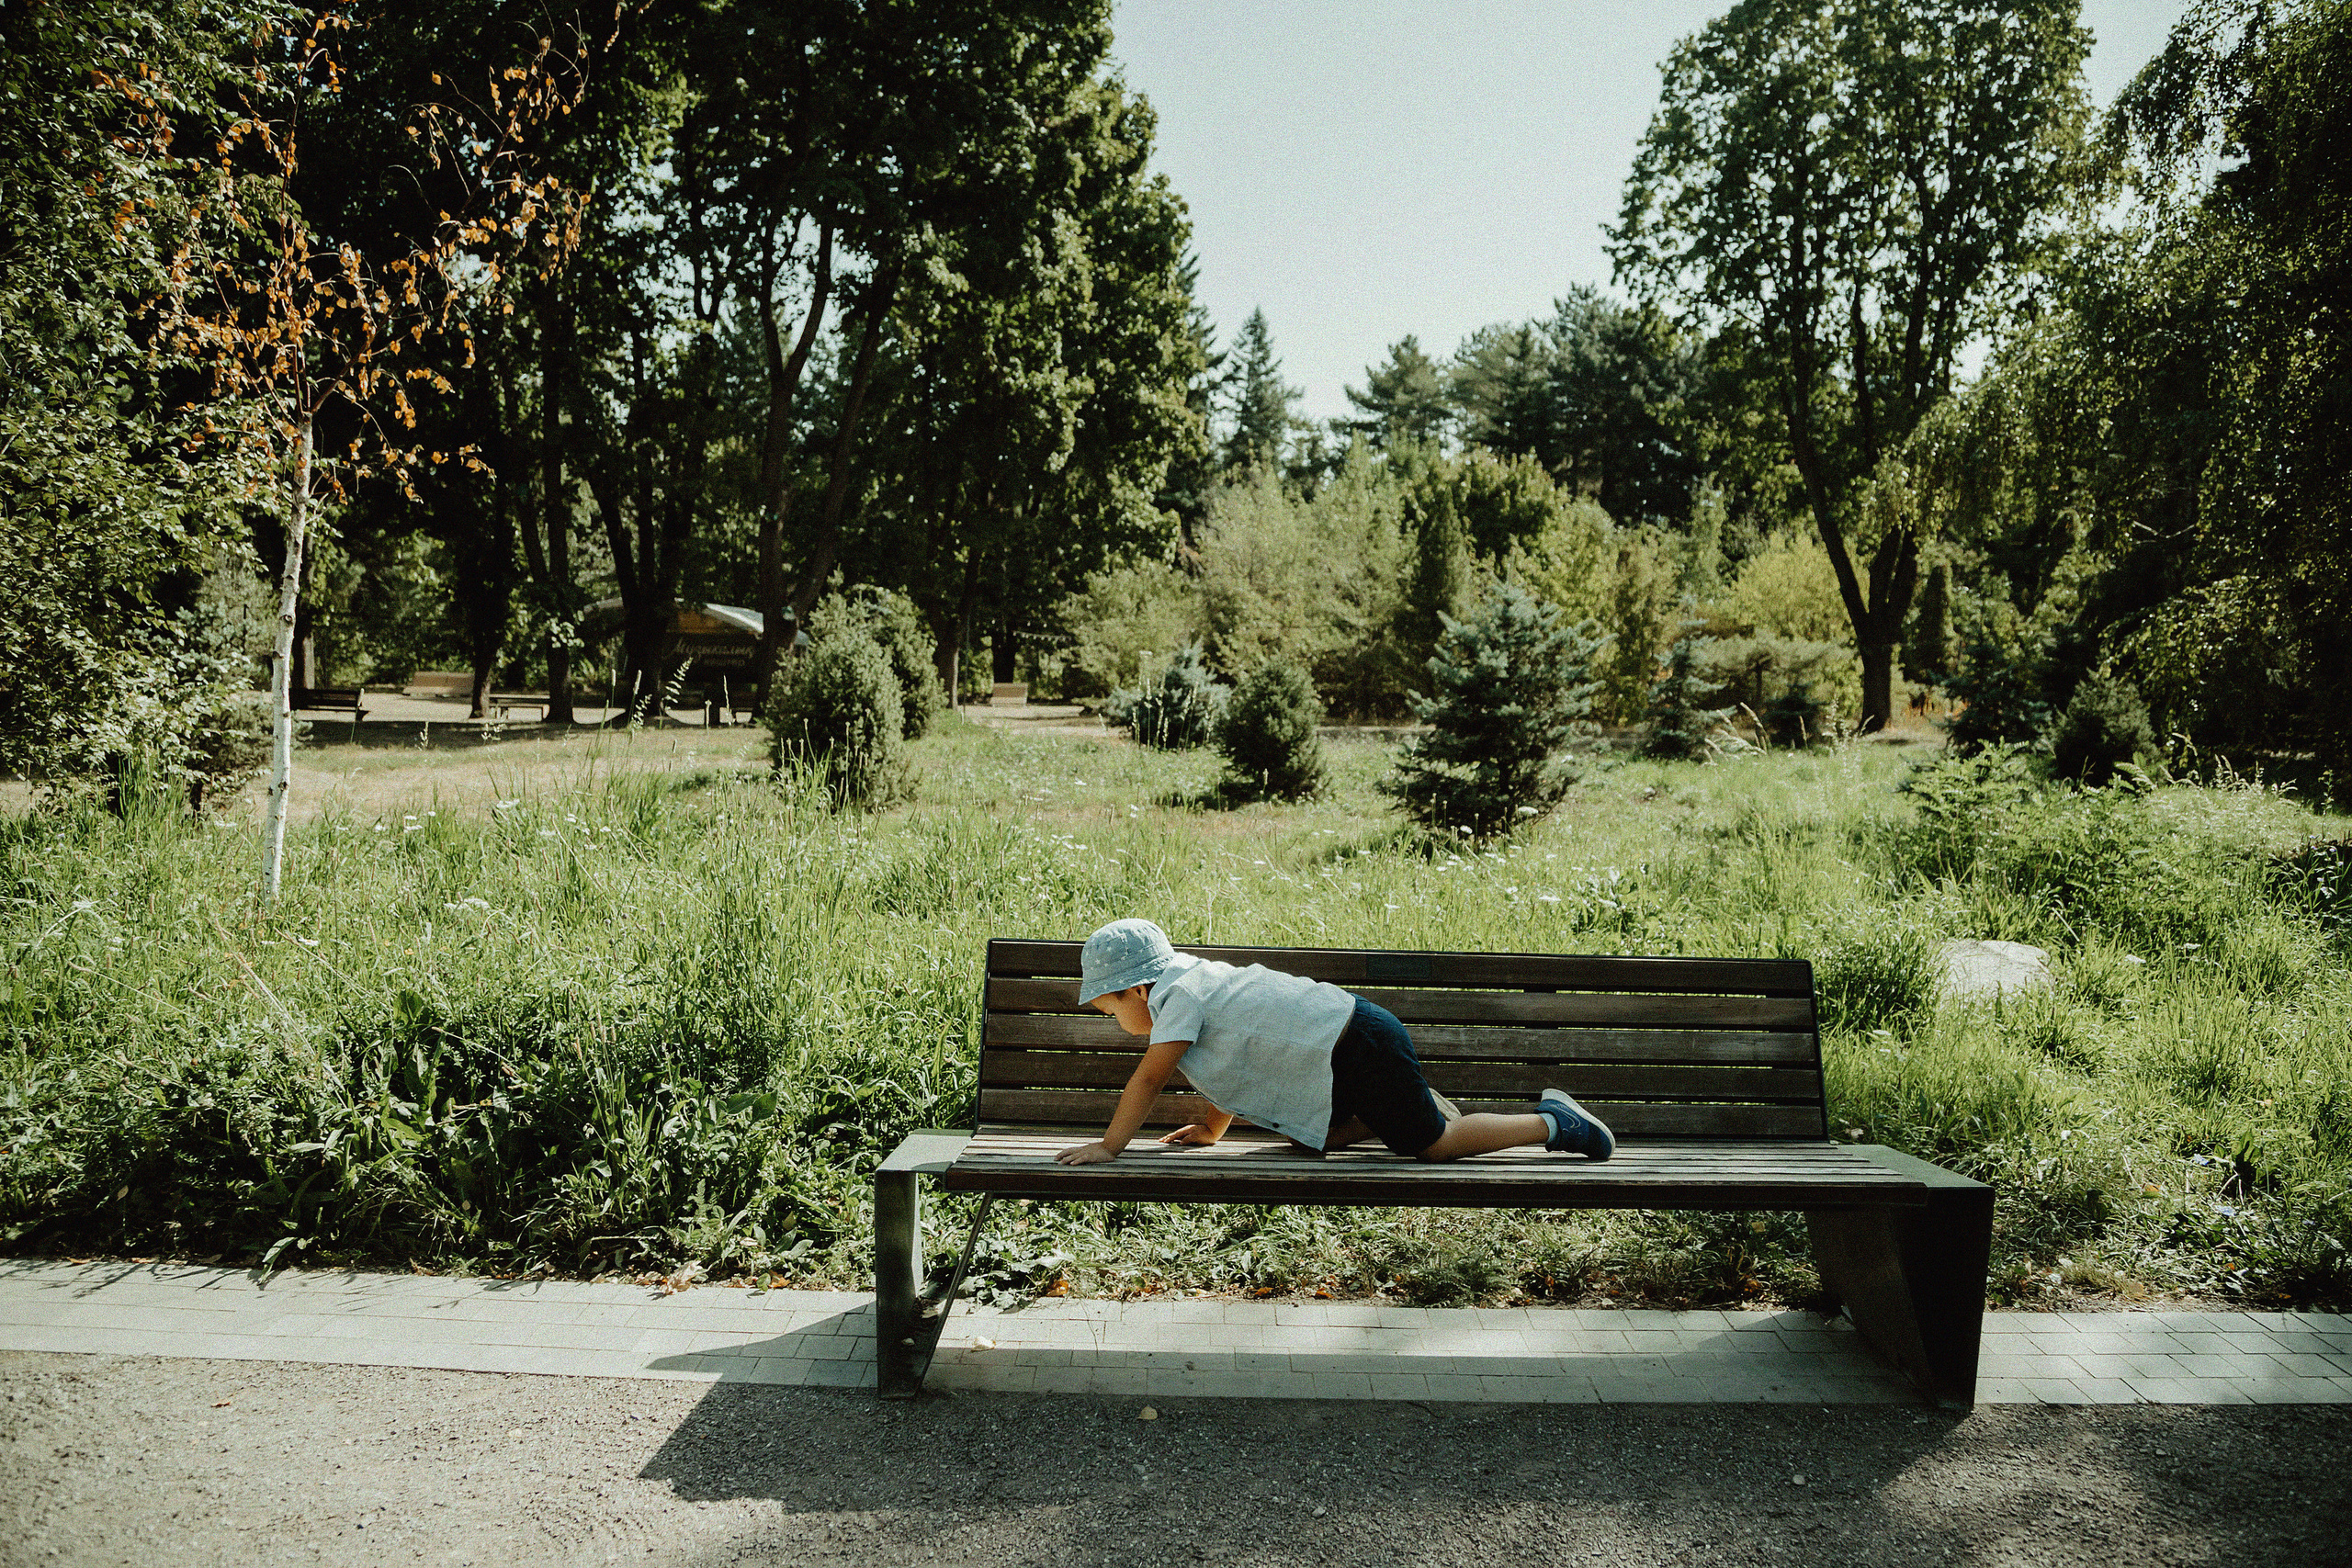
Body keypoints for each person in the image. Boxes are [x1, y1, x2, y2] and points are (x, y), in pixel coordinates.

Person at [1053, 918, 1615, 1167]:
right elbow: (1242, 1064)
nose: (1116, 1022)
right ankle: (1407, 1104)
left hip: (1358, 1042)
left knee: (1433, 1146)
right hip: (1342, 1051)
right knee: (1310, 1142)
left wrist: (1110, 1147)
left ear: (1135, 989)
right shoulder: (1193, 988)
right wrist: (1210, 1129)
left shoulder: (1179, 997)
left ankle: (1554, 1123)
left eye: (1110, 1011)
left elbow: (1147, 1080)